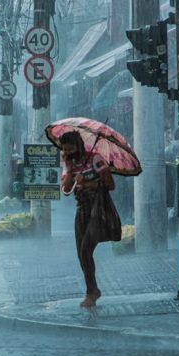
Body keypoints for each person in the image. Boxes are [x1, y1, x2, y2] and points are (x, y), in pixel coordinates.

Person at [60, 131, 116, 308]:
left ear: (78, 146)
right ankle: (92, 289)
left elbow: (110, 185)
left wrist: (87, 182)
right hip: (81, 210)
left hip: (97, 210)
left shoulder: (95, 159)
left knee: (85, 251)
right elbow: (66, 190)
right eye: (64, 150)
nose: (67, 153)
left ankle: (91, 292)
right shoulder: (70, 163)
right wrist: (69, 170)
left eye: (70, 149)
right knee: (81, 254)